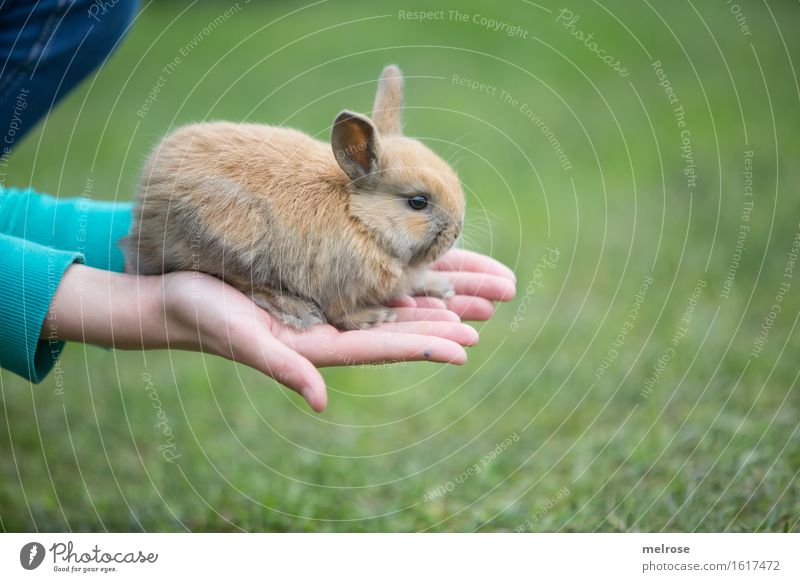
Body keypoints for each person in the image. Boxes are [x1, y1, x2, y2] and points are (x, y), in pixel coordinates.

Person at [0, 0, 516, 412]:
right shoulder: (354, 246)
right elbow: (340, 299)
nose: (446, 228)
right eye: (419, 204)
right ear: (359, 168)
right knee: (245, 231)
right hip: (192, 200)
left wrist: (414, 272)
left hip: (178, 175)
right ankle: (256, 285)